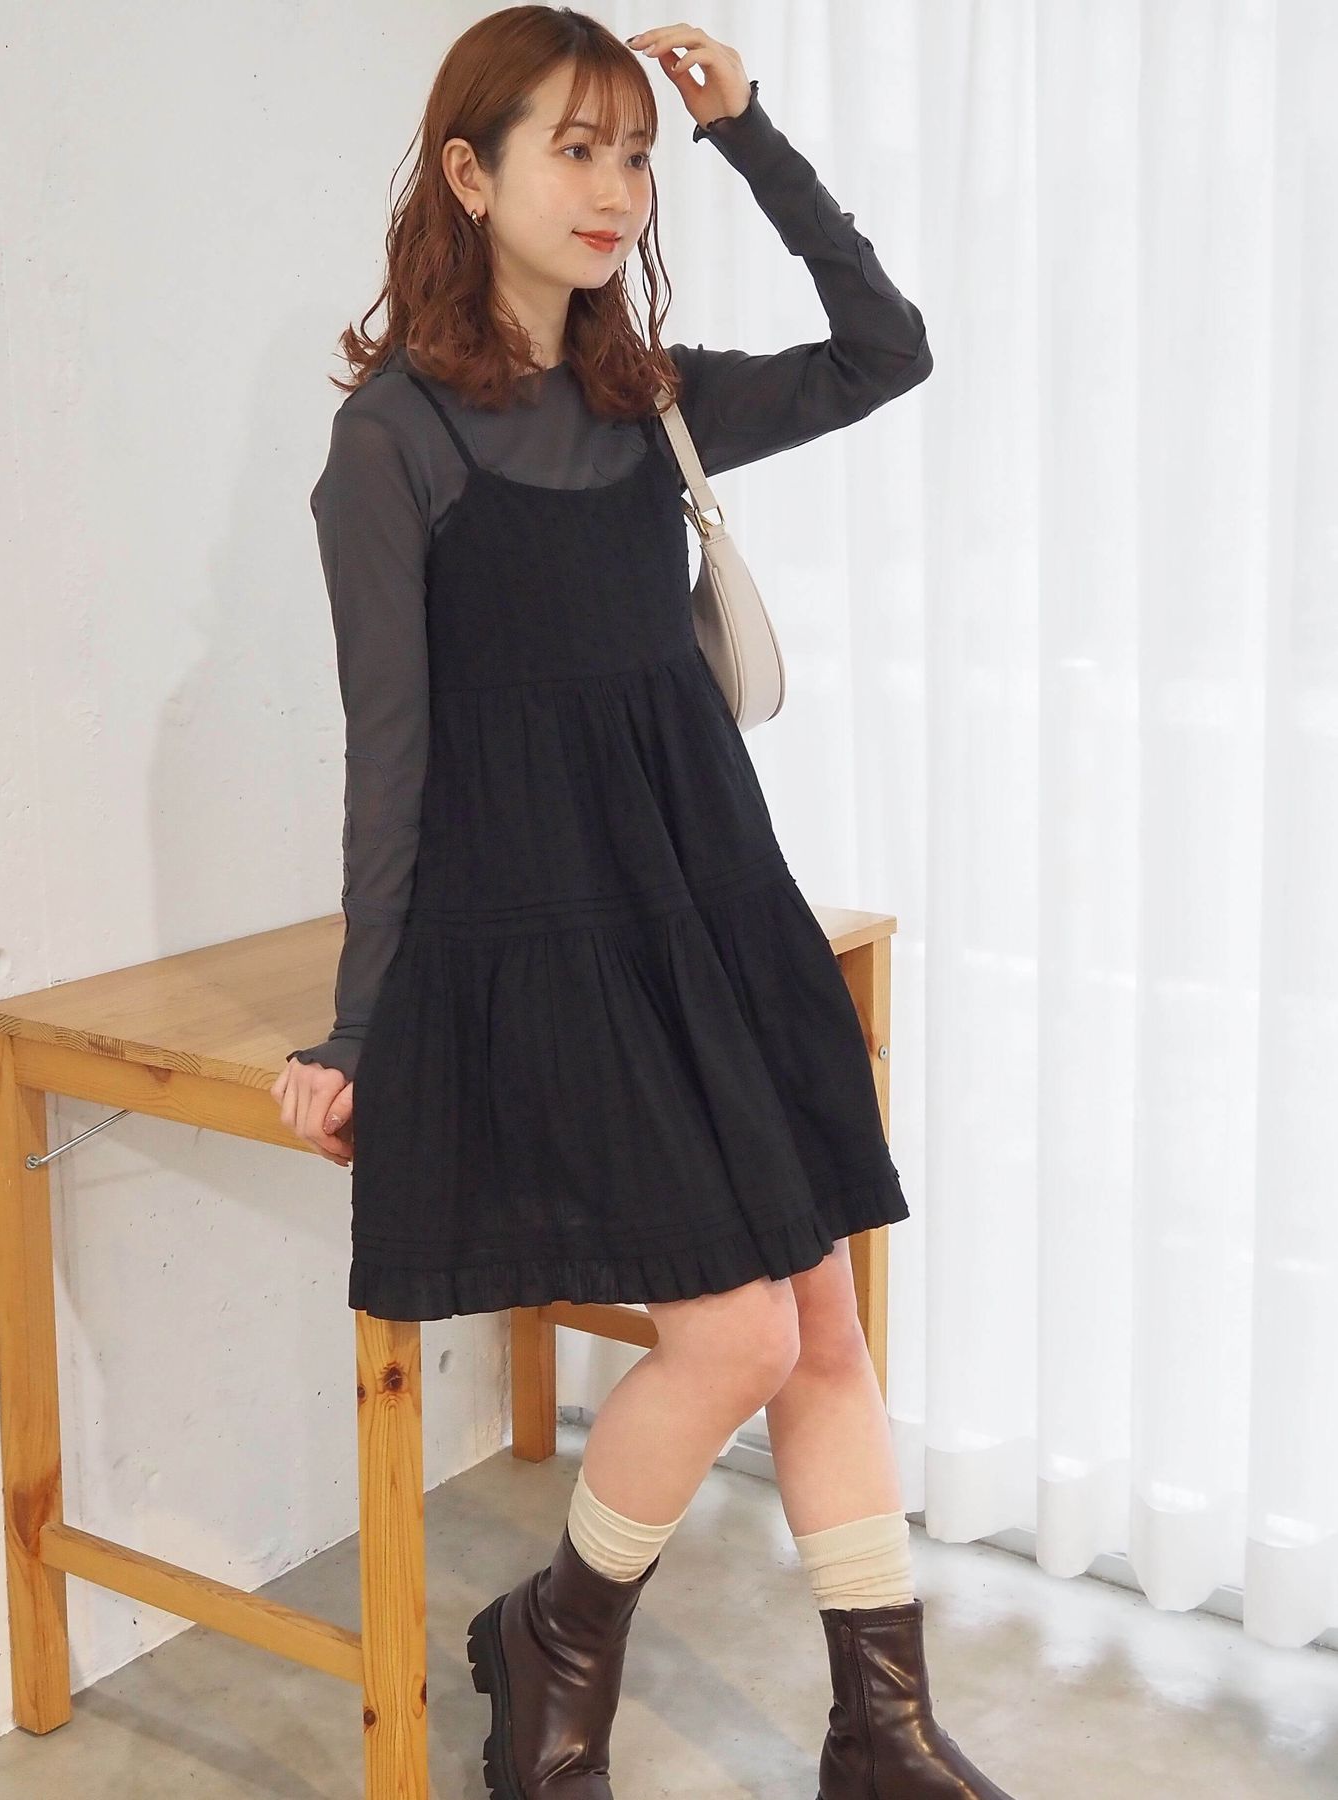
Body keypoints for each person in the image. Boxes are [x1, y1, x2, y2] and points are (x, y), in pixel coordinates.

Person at [272, 10, 1016, 1797]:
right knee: (741, 1330)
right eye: (575, 150)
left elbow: (889, 348)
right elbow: (391, 753)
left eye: (635, 156)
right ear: (470, 174)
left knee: (819, 1315)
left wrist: (748, 131)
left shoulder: (648, 397)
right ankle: (555, 1639)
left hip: (707, 900)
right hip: (546, 931)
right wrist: (361, 1028)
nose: (615, 188)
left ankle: (884, 1735)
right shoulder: (392, 443)